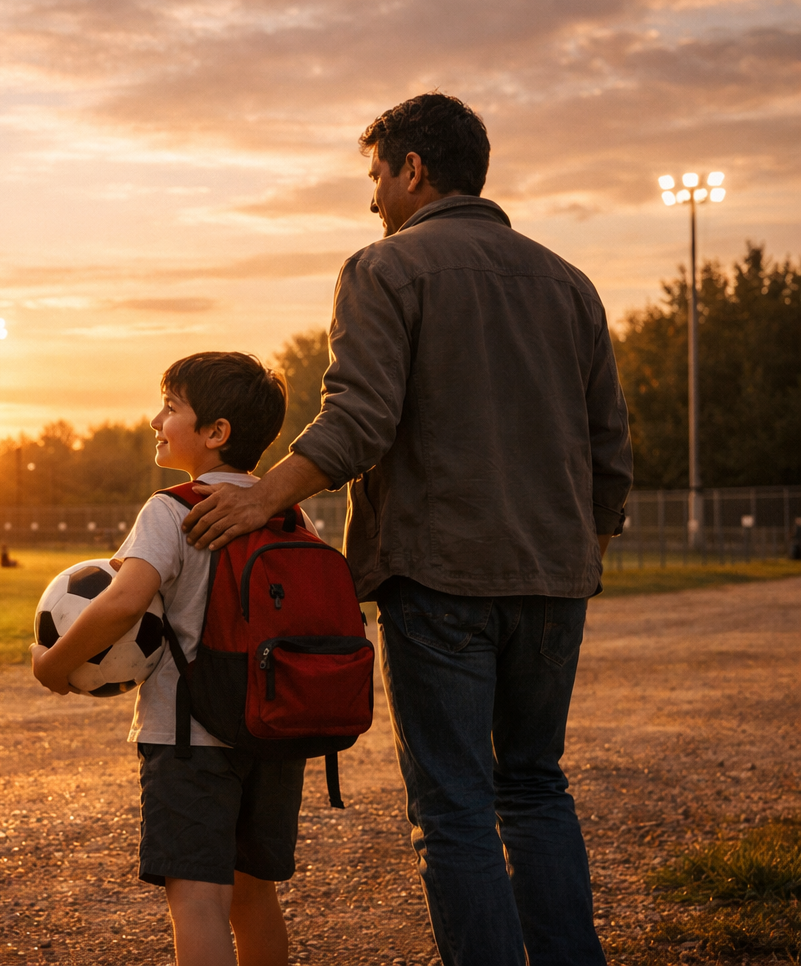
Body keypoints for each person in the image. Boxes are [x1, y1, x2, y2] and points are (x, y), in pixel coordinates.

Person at [181, 94, 633, 966]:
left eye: (376, 175)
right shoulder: (569, 283)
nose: (372, 198)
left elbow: (359, 420)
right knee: (535, 788)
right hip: (555, 580)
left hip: (441, 576)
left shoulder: (385, 268)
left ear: (412, 169)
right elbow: (609, 446)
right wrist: (582, 554)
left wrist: (262, 497)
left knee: (455, 806)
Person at [33, 351, 307, 966]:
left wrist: (54, 664)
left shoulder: (172, 508)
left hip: (189, 740)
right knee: (254, 896)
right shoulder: (288, 512)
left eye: (170, 407)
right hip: (273, 730)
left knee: (198, 900)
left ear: (215, 432)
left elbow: (123, 601)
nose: (156, 420)